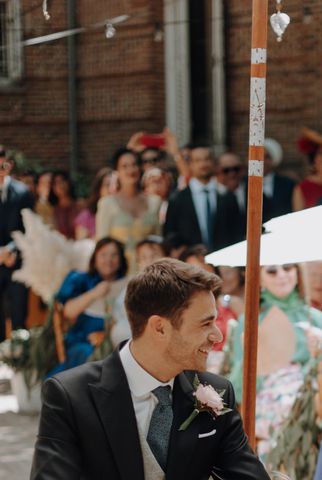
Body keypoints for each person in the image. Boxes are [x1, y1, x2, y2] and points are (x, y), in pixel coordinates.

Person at [32, 259, 269, 479]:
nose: (217, 336)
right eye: (206, 323)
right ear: (159, 328)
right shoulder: (70, 396)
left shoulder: (217, 392)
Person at [228, 262, 322, 454]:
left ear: (297, 272)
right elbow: (239, 385)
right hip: (267, 401)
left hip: (311, 401)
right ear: (259, 278)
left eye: (287, 267)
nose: (281, 275)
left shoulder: (315, 318)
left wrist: (320, 353)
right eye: (272, 271)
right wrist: (253, 356)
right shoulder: (250, 320)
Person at [48, 238, 129, 375]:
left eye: (114, 255)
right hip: (84, 338)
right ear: (95, 257)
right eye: (103, 255)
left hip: (116, 338)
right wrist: (95, 293)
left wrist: (107, 335)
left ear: (121, 259)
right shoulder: (82, 279)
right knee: (89, 354)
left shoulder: (127, 283)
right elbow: (68, 312)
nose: (108, 260)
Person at [163, 145, 243, 252]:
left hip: (224, 262)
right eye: (198, 160)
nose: (203, 164)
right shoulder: (177, 199)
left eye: (207, 159)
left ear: (214, 163)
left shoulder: (228, 197)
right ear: (190, 164)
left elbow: (238, 232)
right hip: (190, 263)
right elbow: (170, 234)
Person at [96, 148, 162, 272]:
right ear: (117, 171)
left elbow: (158, 241)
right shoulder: (106, 204)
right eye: (124, 166)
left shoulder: (155, 202)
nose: (130, 170)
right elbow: (102, 246)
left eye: (134, 165)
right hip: (118, 273)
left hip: (149, 273)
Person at [0, 147, 34, 341]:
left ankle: (20, 361)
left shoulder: (23, 193)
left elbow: (29, 228)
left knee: (19, 318)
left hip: (17, 264)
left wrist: (11, 250)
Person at [74, 167, 116, 240]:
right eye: (107, 184)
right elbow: (82, 244)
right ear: (98, 189)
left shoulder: (124, 212)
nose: (112, 189)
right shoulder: (86, 216)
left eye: (115, 185)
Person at [262, 138, 296, 221]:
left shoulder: (288, 184)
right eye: (258, 156)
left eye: (266, 157)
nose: (262, 161)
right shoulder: (244, 184)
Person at [48, 171, 80, 239]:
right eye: (56, 183)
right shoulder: (52, 210)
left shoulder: (80, 205)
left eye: (62, 181)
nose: (60, 185)